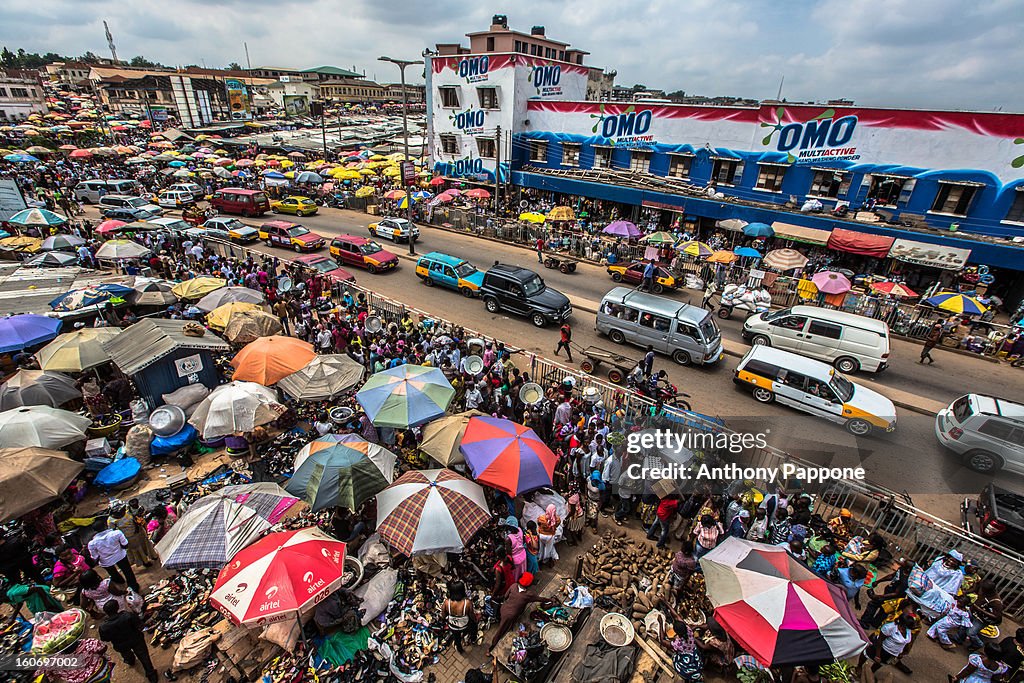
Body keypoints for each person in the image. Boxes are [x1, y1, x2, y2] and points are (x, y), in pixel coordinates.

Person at [488, 573, 555, 651]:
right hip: (510, 615)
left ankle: (506, 624)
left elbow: (505, 596)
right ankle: (491, 647)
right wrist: (550, 600)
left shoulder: (513, 586)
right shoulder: (528, 595)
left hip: (503, 608)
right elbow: (540, 599)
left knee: (506, 620)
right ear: (528, 585)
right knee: (501, 630)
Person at [98, 599, 158, 683]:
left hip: (121, 645)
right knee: (144, 657)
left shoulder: (104, 626)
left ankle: (130, 660)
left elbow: (105, 639)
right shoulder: (128, 616)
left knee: (126, 654)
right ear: (117, 607)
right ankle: (151, 676)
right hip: (136, 640)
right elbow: (140, 626)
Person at [86, 521, 139, 593]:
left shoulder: (92, 543)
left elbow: (95, 557)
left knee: (113, 573)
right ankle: (134, 587)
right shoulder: (117, 533)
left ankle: (120, 582)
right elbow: (125, 544)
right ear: (105, 526)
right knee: (127, 571)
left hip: (106, 562)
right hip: (120, 556)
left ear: (95, 530)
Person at [108, 502, 155, 568]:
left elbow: (137, 515)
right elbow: (113, 531)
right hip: (129, 537)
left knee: (146, 543)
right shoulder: (111, 521)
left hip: (139, 531)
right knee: (137, 550)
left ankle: (153, 555)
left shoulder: (128, 510)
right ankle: (145, 562)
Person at [964, 579, 1004, 650]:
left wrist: (980, 610)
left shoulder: (997, 602)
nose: (980, 590)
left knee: (971, 632)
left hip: (981, 619)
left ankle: (979, 644)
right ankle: (958, 638)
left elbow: (996, 616)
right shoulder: (983, 590)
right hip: (973, 611)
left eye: (982, 589)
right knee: (964, 624)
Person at [442, 581, 478, 654]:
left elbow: (443, 615)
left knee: (456, 638)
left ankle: (460, 649)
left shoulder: (446, 602)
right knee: (474, 626)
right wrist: (475, 621)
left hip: (453, 626)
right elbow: (471, 615)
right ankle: (473, 639)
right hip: (464, 625)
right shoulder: (467, 603)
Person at [503, 517, 527, 583]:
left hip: (516, 561)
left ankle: (517, 585)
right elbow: (523, 541)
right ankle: (524, 581)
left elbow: (509, 554)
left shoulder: (508, 539)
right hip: (523, 555)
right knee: (522, 572)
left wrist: (512, 565)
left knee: (516, 576)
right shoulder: (520, 530)